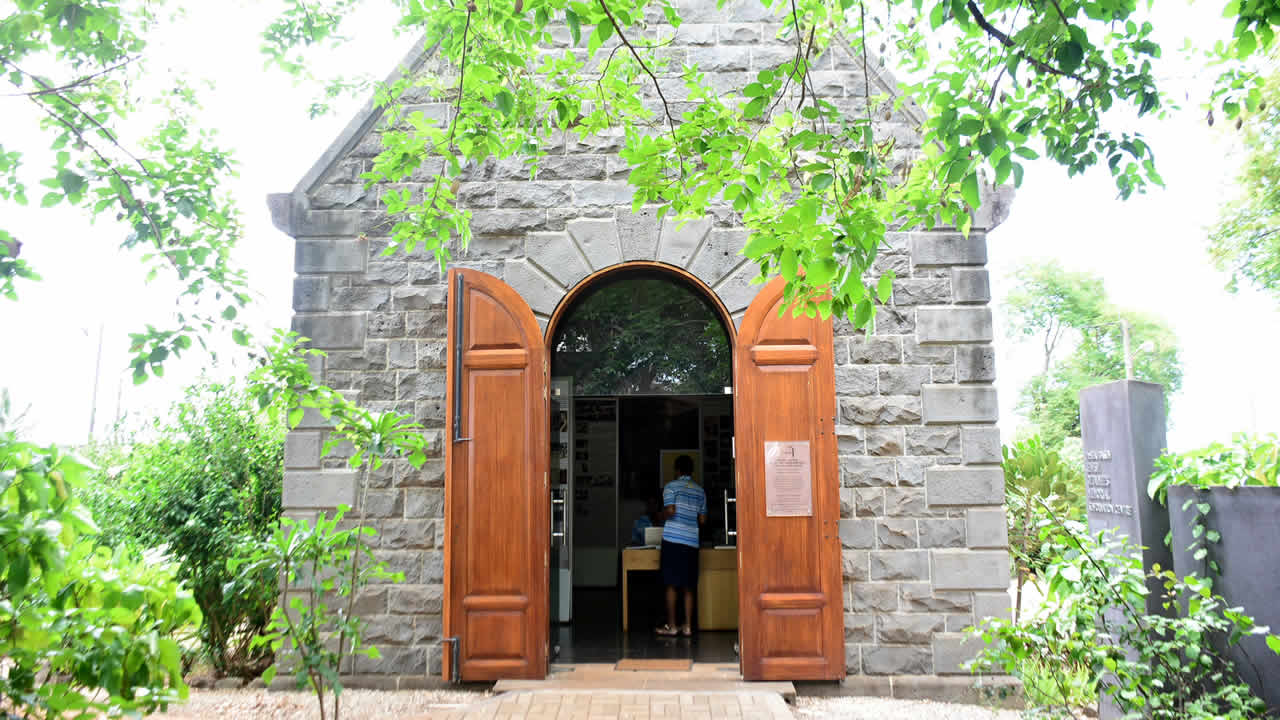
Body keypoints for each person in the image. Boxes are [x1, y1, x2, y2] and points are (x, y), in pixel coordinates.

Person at [656, 455, 706, 637]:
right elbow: (702, 519)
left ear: (677, 470)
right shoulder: (700, 491)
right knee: (689, 585)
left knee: (670, 584)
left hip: (673, 540)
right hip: (692, 541)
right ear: (691, 471)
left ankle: (672, 626)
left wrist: (660, 515)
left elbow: (670, 511)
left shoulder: (670, 487)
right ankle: (688, 627)